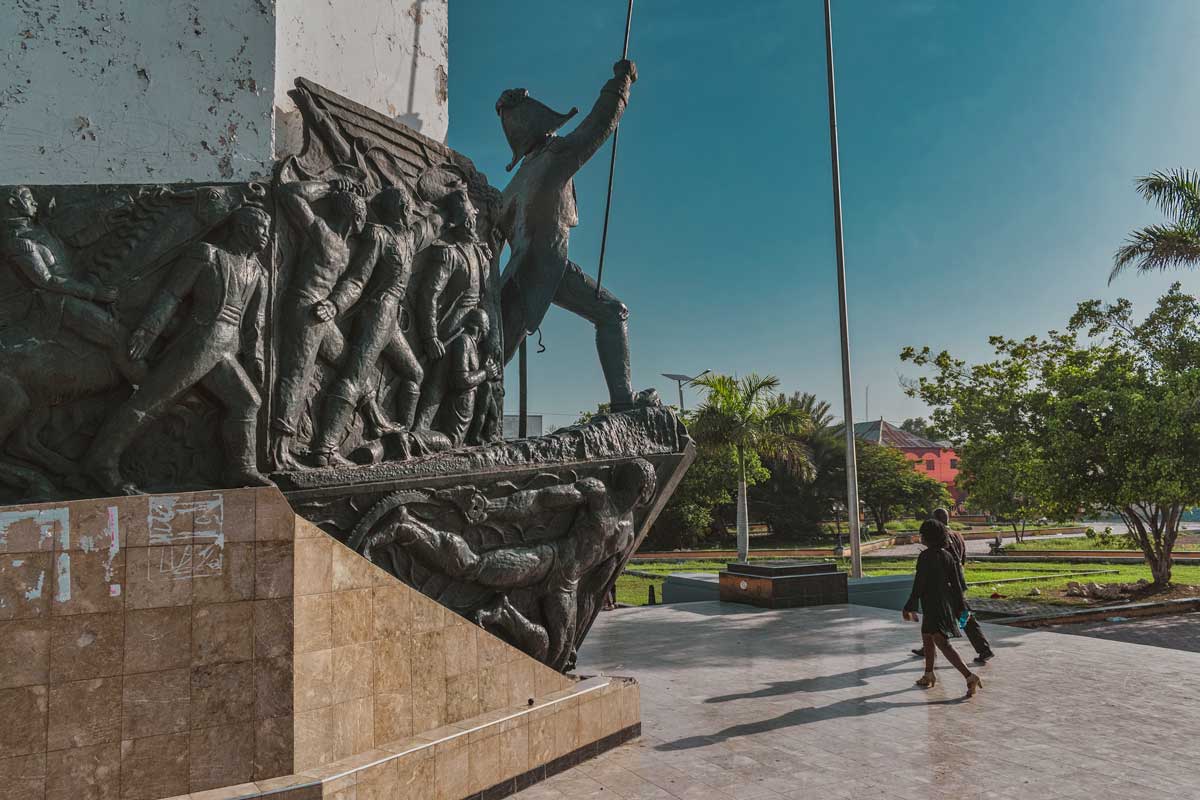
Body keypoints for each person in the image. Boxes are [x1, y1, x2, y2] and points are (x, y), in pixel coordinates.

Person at [83, 206, 274, 495]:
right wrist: (147, 332)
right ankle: (101, 461)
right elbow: (171, 295)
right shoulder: (207, 254)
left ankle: (241, 468)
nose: (267, 236)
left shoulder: (258, 270)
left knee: (247, 401)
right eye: (262, 229)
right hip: (199, 342)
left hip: (225, 348)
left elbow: (254, 322)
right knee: (152, 401)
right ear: (245, 228)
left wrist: (255, 355)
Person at [494, 60, 639, 411]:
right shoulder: (553, 155)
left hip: (514, 276)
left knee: (492, 360)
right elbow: (597, 126)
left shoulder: (512, 185)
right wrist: (621, 85)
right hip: (545, 267)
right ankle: (623, 402)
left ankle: (471, 422)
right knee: (612, 312)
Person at [306, 185, 456, 466]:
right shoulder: (379, 235)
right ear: (402, 209)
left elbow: (433, 225)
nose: (412, 211)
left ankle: (402, 439)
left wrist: (452, 209)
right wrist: (335, 304)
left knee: (414, 374)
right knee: (354, 377)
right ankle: (324, 448)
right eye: (409, 207)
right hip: (376, 313)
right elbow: (356, 280)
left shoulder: (409, 239)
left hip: (393, 320)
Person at [0, 186, 145, 384]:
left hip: (70, 290)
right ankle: (152, 398)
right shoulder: (18, 241)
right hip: (53, 303)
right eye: (28, 198)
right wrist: (94, 293)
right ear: (13, 203)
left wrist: (110, 220)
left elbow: (74, 237)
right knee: (118, 337)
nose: (34, 203)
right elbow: (46, 280)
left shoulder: (38, 229)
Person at [271, 178, 367, 470]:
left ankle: (327, 445)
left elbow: (352, 285)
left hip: (323, 312)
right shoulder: (320, 231)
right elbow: (289, 193)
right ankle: (279, 451)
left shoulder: (347, 249)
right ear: (352, 215)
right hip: (304, 308)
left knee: (352, 363)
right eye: (362, 214)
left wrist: (334, 303)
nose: (364, 219)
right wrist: (331, 185)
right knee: (296, 375)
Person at [902, 518, 983, 697]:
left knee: (942, 644)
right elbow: (956, 585)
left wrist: (910, 605)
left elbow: (919, 583)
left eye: (922, 533)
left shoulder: (925, 556)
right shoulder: (947, 556)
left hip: (932, 605)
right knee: (927, 638)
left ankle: (970, 677)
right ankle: (928, 674)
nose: (920, 536)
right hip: (943, 604)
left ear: (928, 537)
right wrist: (961, 608)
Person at [911, 508, 995, 664]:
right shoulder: (957, 535)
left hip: (947, 585)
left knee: (961, 615)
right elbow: (962, 558)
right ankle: (928, 648)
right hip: (956, 581)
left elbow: (952, 560)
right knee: (945, 615)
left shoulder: (943, 537)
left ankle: (983, 648)